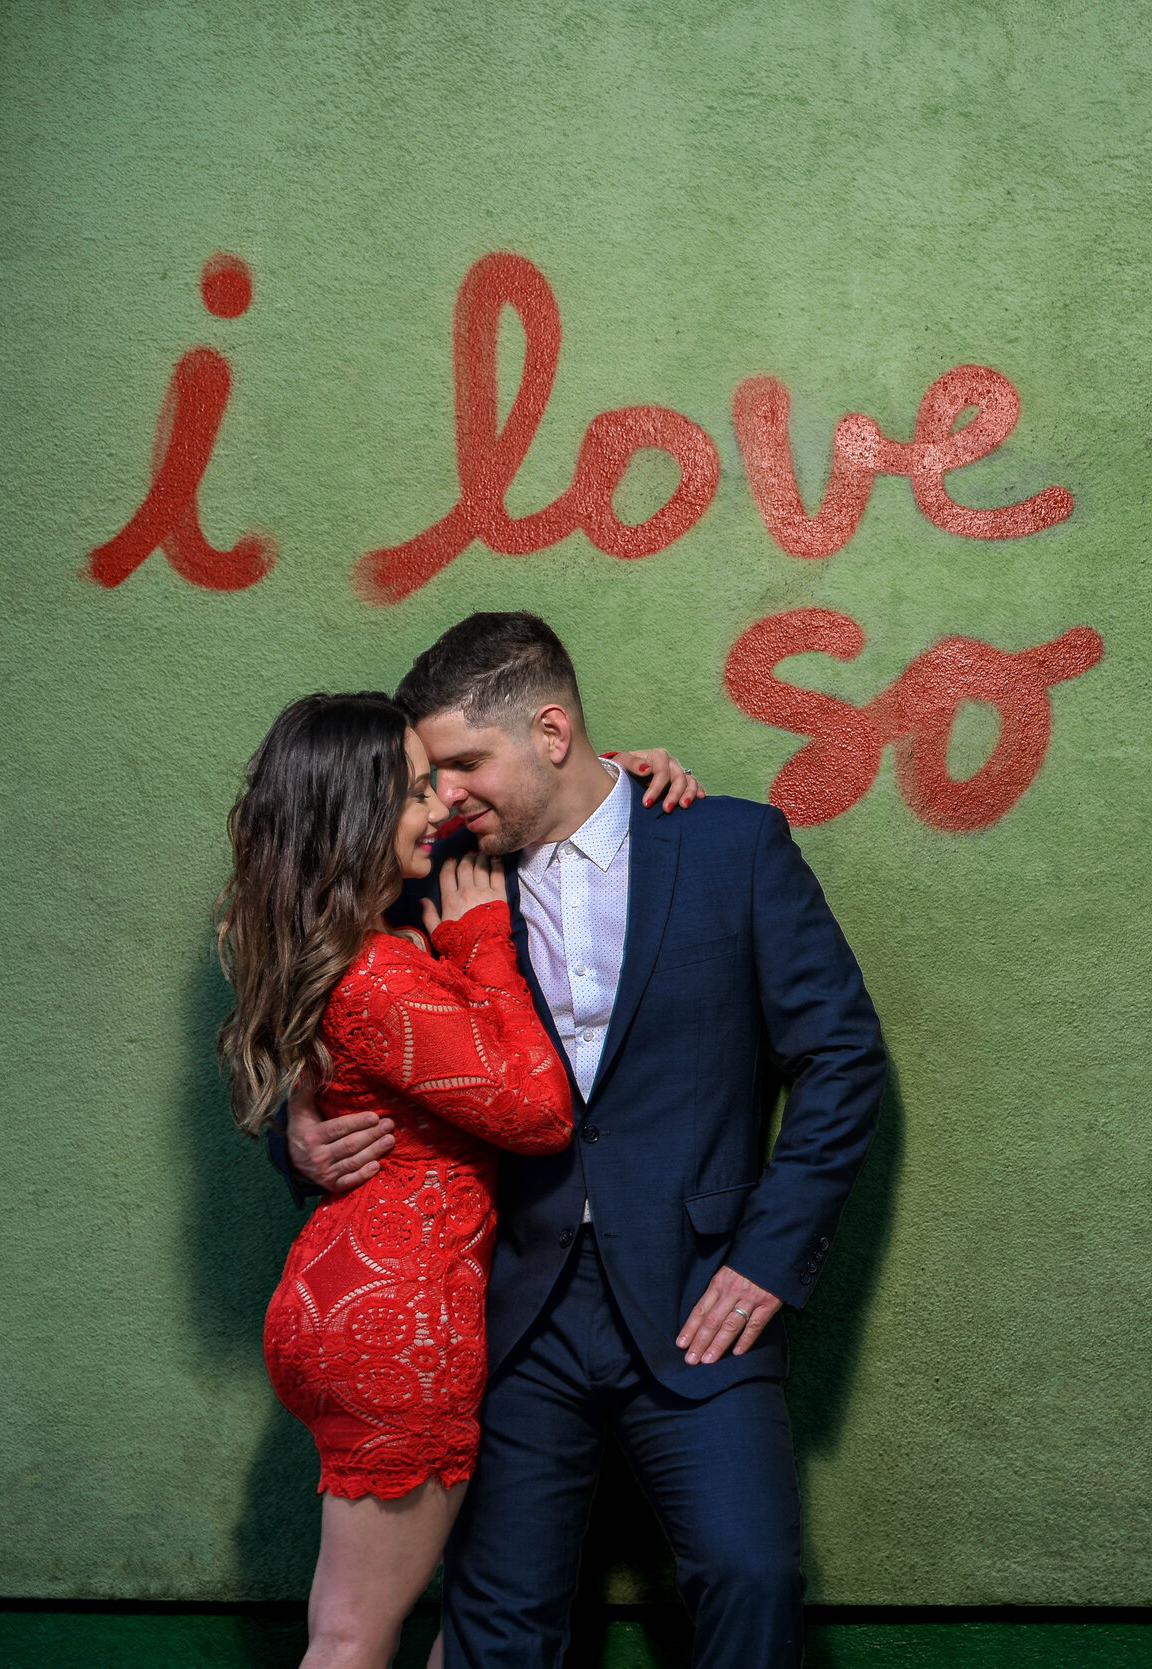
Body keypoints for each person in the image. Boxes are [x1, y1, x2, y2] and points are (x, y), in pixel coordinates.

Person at [274, 612, 886, 1669]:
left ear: (551, 732)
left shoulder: (730, 845)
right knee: (496, 1621)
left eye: (465, 762)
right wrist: (295, 1128)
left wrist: (767, 1257)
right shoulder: (428, 874)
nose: (445, 794)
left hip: (701, 1296)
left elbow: (842, 1058)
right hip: (508, 1307)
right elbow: (315, 989)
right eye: (431, 773)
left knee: (752, 1575)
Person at [222, 693, 574, 1669]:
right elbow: (539, 1112)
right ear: (358, 814)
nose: (440, 806)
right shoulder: (379, 974)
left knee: (383, 1624)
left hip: (343, 1298)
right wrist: (482, 942)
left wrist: (624, 766)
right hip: (401, 1320)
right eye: (417, 791)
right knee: (351, 1636)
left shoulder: (343, 948)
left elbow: (551, 783)